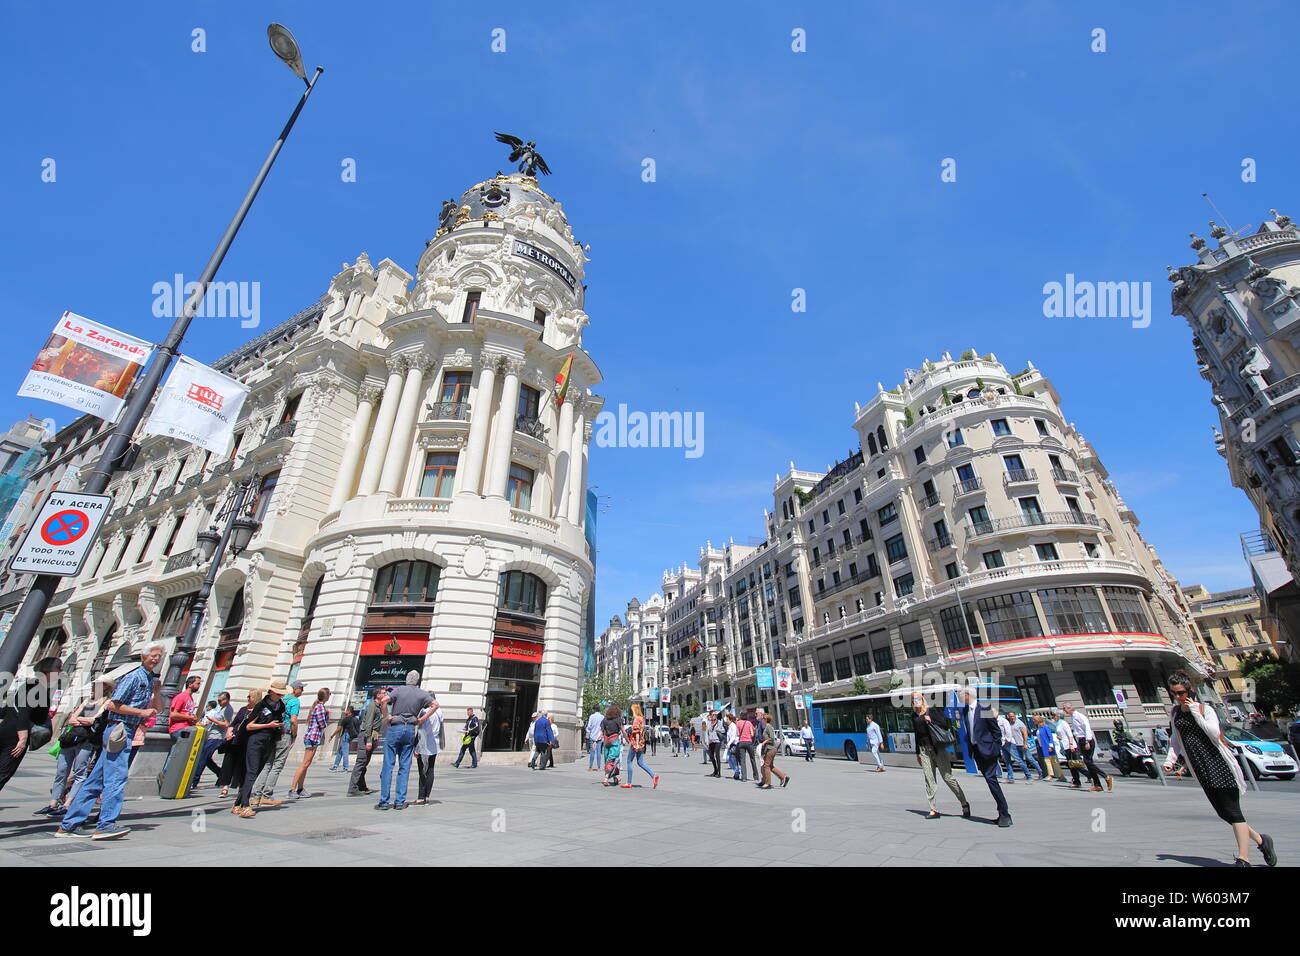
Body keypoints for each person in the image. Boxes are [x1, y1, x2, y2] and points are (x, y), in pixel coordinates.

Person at [1163, 673, 1276, 867]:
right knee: (1224, 813)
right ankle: (1262, 841)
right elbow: (1175, 739)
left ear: (1189, 691)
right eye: (1174, 693)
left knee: (1233, 811)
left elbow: (1215, 733)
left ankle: (1244, 859)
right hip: (1200, 767)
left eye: (1181, 692)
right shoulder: (1175, 713)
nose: (1178, 697)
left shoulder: (1204, 709)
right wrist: (1170, 760)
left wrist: (1195, 712)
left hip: (1219, 764)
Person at [55, 644, 162, 840]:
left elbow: (159, 710)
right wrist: (140, 712)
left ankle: (69, 825)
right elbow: (113, 705)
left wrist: (157, 691)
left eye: (159, 656)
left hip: (126, 729)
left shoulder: (149, 679)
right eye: (153, 656)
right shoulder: (133, 676)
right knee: (116, 778)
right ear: (143, 657)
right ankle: (105, 824)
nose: (156, 659)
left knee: (96, 780)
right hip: (120, 729)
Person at [40, 677, 114, 816]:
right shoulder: (87, 700)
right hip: (70, 739)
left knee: (80, 773)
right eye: (94, 684)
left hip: (87, 741)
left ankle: (68, 804)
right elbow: (71, 719)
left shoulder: (107, 702)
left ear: (105, 687)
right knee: (61, 771)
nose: (94, 687)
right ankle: (53, 803)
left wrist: (78, 720)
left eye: (98, 684)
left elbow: (94, 720)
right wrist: (81, 720)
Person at [1, 656, 62, 795]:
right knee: (4, 772)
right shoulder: (39, 688)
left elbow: (9, 709)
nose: (60, 672)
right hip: (15, 737)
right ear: (49, 670)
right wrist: (22, 739)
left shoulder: (27, 685)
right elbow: (24, 713)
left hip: (5, 729)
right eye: (59, 668)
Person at [376, 671, 434, 810]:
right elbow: (435, 705)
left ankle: (384, 802)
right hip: (410, 729)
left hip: (396, 726)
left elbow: (383, 701)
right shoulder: (421, 693)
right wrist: (421, 719)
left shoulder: (399, 690)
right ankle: (400, 802)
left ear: (406, 680)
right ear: (417, 681)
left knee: (388, 765)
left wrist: (387, 716)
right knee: (405, 766)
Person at [232, 680, 288, 819]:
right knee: (251, 771)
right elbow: (249, 726)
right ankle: (245, 806)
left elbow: (278, 720)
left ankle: (237, 804)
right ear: (272, 692)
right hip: (255, 740)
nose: (281, 696)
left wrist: (279, 728)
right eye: (279, 694)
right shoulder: (261, 705)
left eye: (282, 694)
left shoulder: (280, 706)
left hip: (269, 741)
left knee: (255, 772)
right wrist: (267, 725)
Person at [960, 687, 1011, 827]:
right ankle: (1003, 813)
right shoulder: (965, 710)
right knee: (990, 780)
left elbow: (996, 731)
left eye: (961, 695)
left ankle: (1004, 814)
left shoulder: (984, 708)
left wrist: (995, 748)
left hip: (988, 750)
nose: (959, 698)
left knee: (991, 779)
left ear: (967, 695)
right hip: (977, 751)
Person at [912, 692, 968, 819]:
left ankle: (963, 802)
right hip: (924, 750)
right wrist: (917, 753)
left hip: (937, 748)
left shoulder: (932, 711)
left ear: (922, 699)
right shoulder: (914, 716)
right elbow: (916, 734)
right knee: (929, 779)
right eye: (913, 699)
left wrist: (931, 721)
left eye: (918, 698)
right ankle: (933, 809)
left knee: (947, 777)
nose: (916, 701)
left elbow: (947, 724)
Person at [252, 678, 303, 807]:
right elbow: (293, 720)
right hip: (284, 734)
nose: (302, 691)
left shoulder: (282, 701)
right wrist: (294, 734)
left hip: (273, 733)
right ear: (295, 689)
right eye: (301, 689)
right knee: (277, 765)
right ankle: (267, 794)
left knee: (268, 764)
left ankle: (256, 793)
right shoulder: (295, 701)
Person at [288, 687, 331, 799]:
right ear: (325, 696)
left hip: (312, 737)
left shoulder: (316, 706)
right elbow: (323, 724)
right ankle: (292, 789)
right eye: (329, 694)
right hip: (313, 737)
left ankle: (300, 788)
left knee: (306, 764)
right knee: (305, 764)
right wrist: (327, 715)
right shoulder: (320, 708)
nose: (330, 696)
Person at [217, 690, 260, 799]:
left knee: (241, 765)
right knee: (228, 763)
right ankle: (225, 787)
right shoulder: (243, 709)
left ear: (255, 698)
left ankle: (241, 787)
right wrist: (229, 732)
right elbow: (234, 722)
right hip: (233, 739)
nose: (248, 698)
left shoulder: (258, 711)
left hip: (245, 741)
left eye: (250, 696)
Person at [1064, 702, 1113, 793]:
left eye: (1065, 708)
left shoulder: (1079, 716)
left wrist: (1087, 741)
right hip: (1081, 741)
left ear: (1070, 708)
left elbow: (1087, 728)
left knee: (1087, 761)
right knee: (1089, 763)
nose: (1064, 711)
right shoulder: (1073, 717)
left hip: (1086, 740)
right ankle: (1097, 785)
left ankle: (1106, 776)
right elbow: (1077, 732)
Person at [348, 689, 387, 796]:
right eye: (384, 693)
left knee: (364, 763)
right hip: (366, 736)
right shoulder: (372, 706)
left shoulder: (379, 706)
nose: (385, 694)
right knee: (361, 762)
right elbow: (368, 724)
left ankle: (361, 786)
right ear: (378, 695)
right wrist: (369, 740)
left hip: (372, 736)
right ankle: (352, 788)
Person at [191, 691, 233, 789]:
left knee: (203, 757)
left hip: (217, 737)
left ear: (226, 699)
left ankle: (194, 780)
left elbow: (226, 724)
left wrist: (214, 721)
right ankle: (220, 773)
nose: (218, 702)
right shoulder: (221, 708)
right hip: (212, 735)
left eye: (220, 700)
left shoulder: (228, 709)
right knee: (207, 759)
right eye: (218, 700)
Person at [414, 695, 442, 804]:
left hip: (424, 744)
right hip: (434, 743)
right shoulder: (440, 711)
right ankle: (427, 795)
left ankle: (421, 796)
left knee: (422, 770)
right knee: (430, 768)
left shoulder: (424, 712)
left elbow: (421, 731)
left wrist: (416, 747)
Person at [622, 706, 659, 789]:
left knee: (629, 761)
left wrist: (637, 743)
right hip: (642, 743)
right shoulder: (642, 719)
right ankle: (653, 775)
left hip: (636, 743)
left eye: (632, 710)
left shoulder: (636, 719)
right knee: (640, 762)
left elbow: (637, 732)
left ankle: (629, 782)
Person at [997, 710, 1033, 783]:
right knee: (1007, 761)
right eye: (1010, 716)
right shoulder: (996, 721)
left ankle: (1028, 776)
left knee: (1018, 760)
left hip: (1009, 743)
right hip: (1003, 743)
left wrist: (1008, 739)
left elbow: (1008, 731)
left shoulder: (1003, 721)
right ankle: (1010, 778)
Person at [758, 710, 789, 790]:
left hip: (770, 748)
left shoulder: (768, 727)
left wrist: (764, 742)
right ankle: (783, 777)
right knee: (770, 766)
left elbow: (772, 738)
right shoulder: (767, 727)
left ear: (766, 720)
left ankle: (768, 783)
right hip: (769, 748)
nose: (762, 720)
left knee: (766, 765)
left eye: (763, 719)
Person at [600, 704, 625, 787]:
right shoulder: (618, 720)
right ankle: (606, 779)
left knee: (608, 760)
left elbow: (601, 731)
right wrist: (628, 740)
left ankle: (615, 779)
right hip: (614, 741)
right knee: (611, 760)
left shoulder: (605, 720)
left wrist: (596, 741)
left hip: (606, 741)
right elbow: (623, 730)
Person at [1034, 715, 1063, 781]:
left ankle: (1053, 774)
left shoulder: (1045, 727)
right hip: (1042, 746)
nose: (1034, 722)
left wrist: (1051, 745)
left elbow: (1050, 736)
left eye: (1035, 720)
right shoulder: (1039, 728)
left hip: (1047, 746)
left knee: (1051, 761)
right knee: (1050, 761)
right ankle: (1056, 774)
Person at [330, 706, 359, 772]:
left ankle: (345, 768)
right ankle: (335, 766)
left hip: (345, 735)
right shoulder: (355, 718)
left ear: (349, 711)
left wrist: (332, 735)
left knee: (345, 751)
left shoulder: (346, 719)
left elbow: (339, 729)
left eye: (346, 710)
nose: (344, 712)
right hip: (351, 736)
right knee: (340, 751)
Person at [734, 711, 760, 781]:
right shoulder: (749, 723)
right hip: (749, 742)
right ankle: (756, 776)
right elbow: (752, 734)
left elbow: (738, 734)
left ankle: (744, 777)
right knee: (752, 759)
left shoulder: (738, 723)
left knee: (742, 760)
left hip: (741, 742)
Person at [585, 706, 605, 771]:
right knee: (599, 752)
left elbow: (589, 726)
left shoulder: (592, 716)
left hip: (592, 736)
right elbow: (603, 727)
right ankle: (599, 767)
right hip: (599, 737)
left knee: (592, 752)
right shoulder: (602, 717)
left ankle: (590, 767)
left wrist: (588, 732)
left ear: (594, 710)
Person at [705, 711, 723, 777]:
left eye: (715, 715)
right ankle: (715, 770)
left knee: (717, 756)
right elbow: (707, 732)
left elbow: (723, 730)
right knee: (711, 756)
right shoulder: (709, 723)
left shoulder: (719, 722)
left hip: (717, 741)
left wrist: (719, 730)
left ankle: (719, 772)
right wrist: (707, 741)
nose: (714, 716)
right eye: (712, 715)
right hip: (711, 741)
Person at [725, 712, 742, 779]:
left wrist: (729, 743)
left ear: (730, 719)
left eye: (727, 719)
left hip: (734, 744)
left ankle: (737, 771)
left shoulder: (733, 726)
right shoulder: (730, 726)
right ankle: (736, 771)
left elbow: (733, 736)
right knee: (729, 758)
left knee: (732, 758)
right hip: (731, 744)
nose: (726, 721)